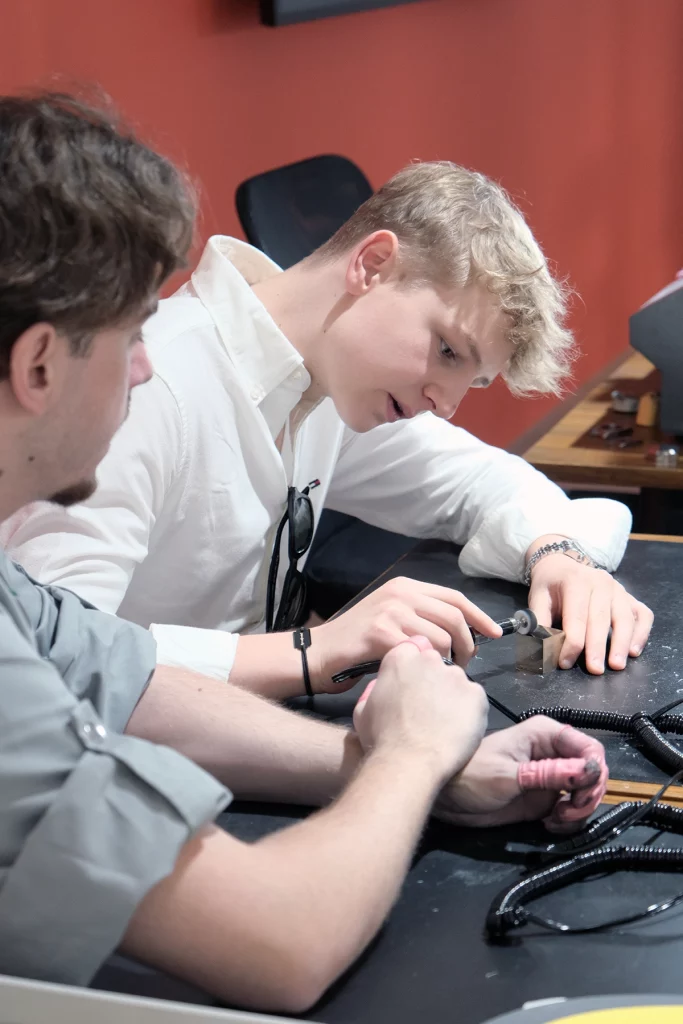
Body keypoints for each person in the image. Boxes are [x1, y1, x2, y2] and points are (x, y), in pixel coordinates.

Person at [0, 91, 609, 1012]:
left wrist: (423, 764)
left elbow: (115, 677)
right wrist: (406, 751)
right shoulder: (170, 395)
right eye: (130, 335)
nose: (145, 363)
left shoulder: (313, 389)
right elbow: (282, 941)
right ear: (40, 364)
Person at [2, 162, 653, 697]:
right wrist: (313, 650)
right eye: (447, 351)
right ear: (372, 265)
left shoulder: (326, 383)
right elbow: (52, 653)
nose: (446, 403)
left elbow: (482, 481)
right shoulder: (149, 391)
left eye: (470, 381)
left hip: (245, 728)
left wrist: (557, 554)